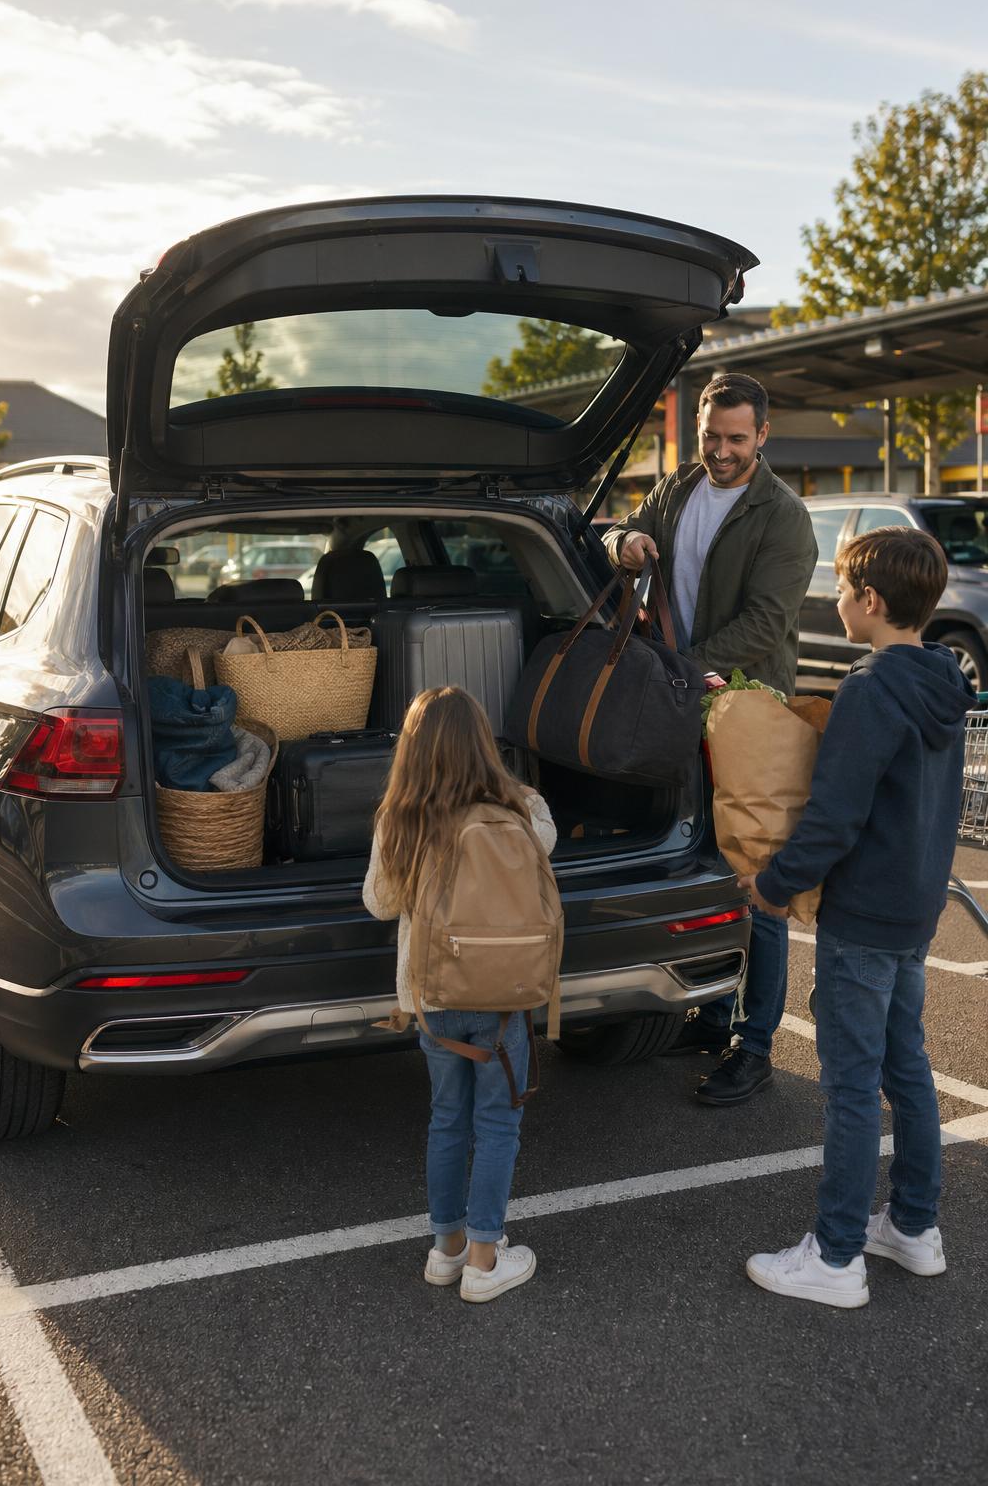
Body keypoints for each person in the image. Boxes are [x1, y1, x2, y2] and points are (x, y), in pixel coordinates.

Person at [740, 527, 976, 1307]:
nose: (835, 601)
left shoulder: (871, 691)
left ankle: (836, 1257)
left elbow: (834, 817)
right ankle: (913, 1227)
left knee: (848, 1088)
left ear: (870, 602)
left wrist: (775, 883)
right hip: (914, 908)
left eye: (841, 590)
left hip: (865, 915)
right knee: (906, 1070)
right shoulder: (945, 679)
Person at [602, 372, 818, 1104]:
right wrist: (623, 542)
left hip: (746, 714)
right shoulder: (675, 490)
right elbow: (615, 537)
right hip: (682, 706)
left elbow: (766, 623)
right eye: (711, 437)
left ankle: (755, 1045)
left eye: (736, 439)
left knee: (760, 883)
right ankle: (714, 1011)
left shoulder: (783, 517)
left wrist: (679, 671)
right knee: (703, 862)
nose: (721, 452)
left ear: (762, 436)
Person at [362, 686, 557, 1304]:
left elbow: (379, 902)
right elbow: (546, 847)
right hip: (505, 994)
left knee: (447, 1119)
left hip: (434, 996)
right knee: (498, 1123)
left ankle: (446, 1252)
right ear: (483, 742)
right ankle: (485, 1258)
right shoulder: (521, 808)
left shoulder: (403, 818)